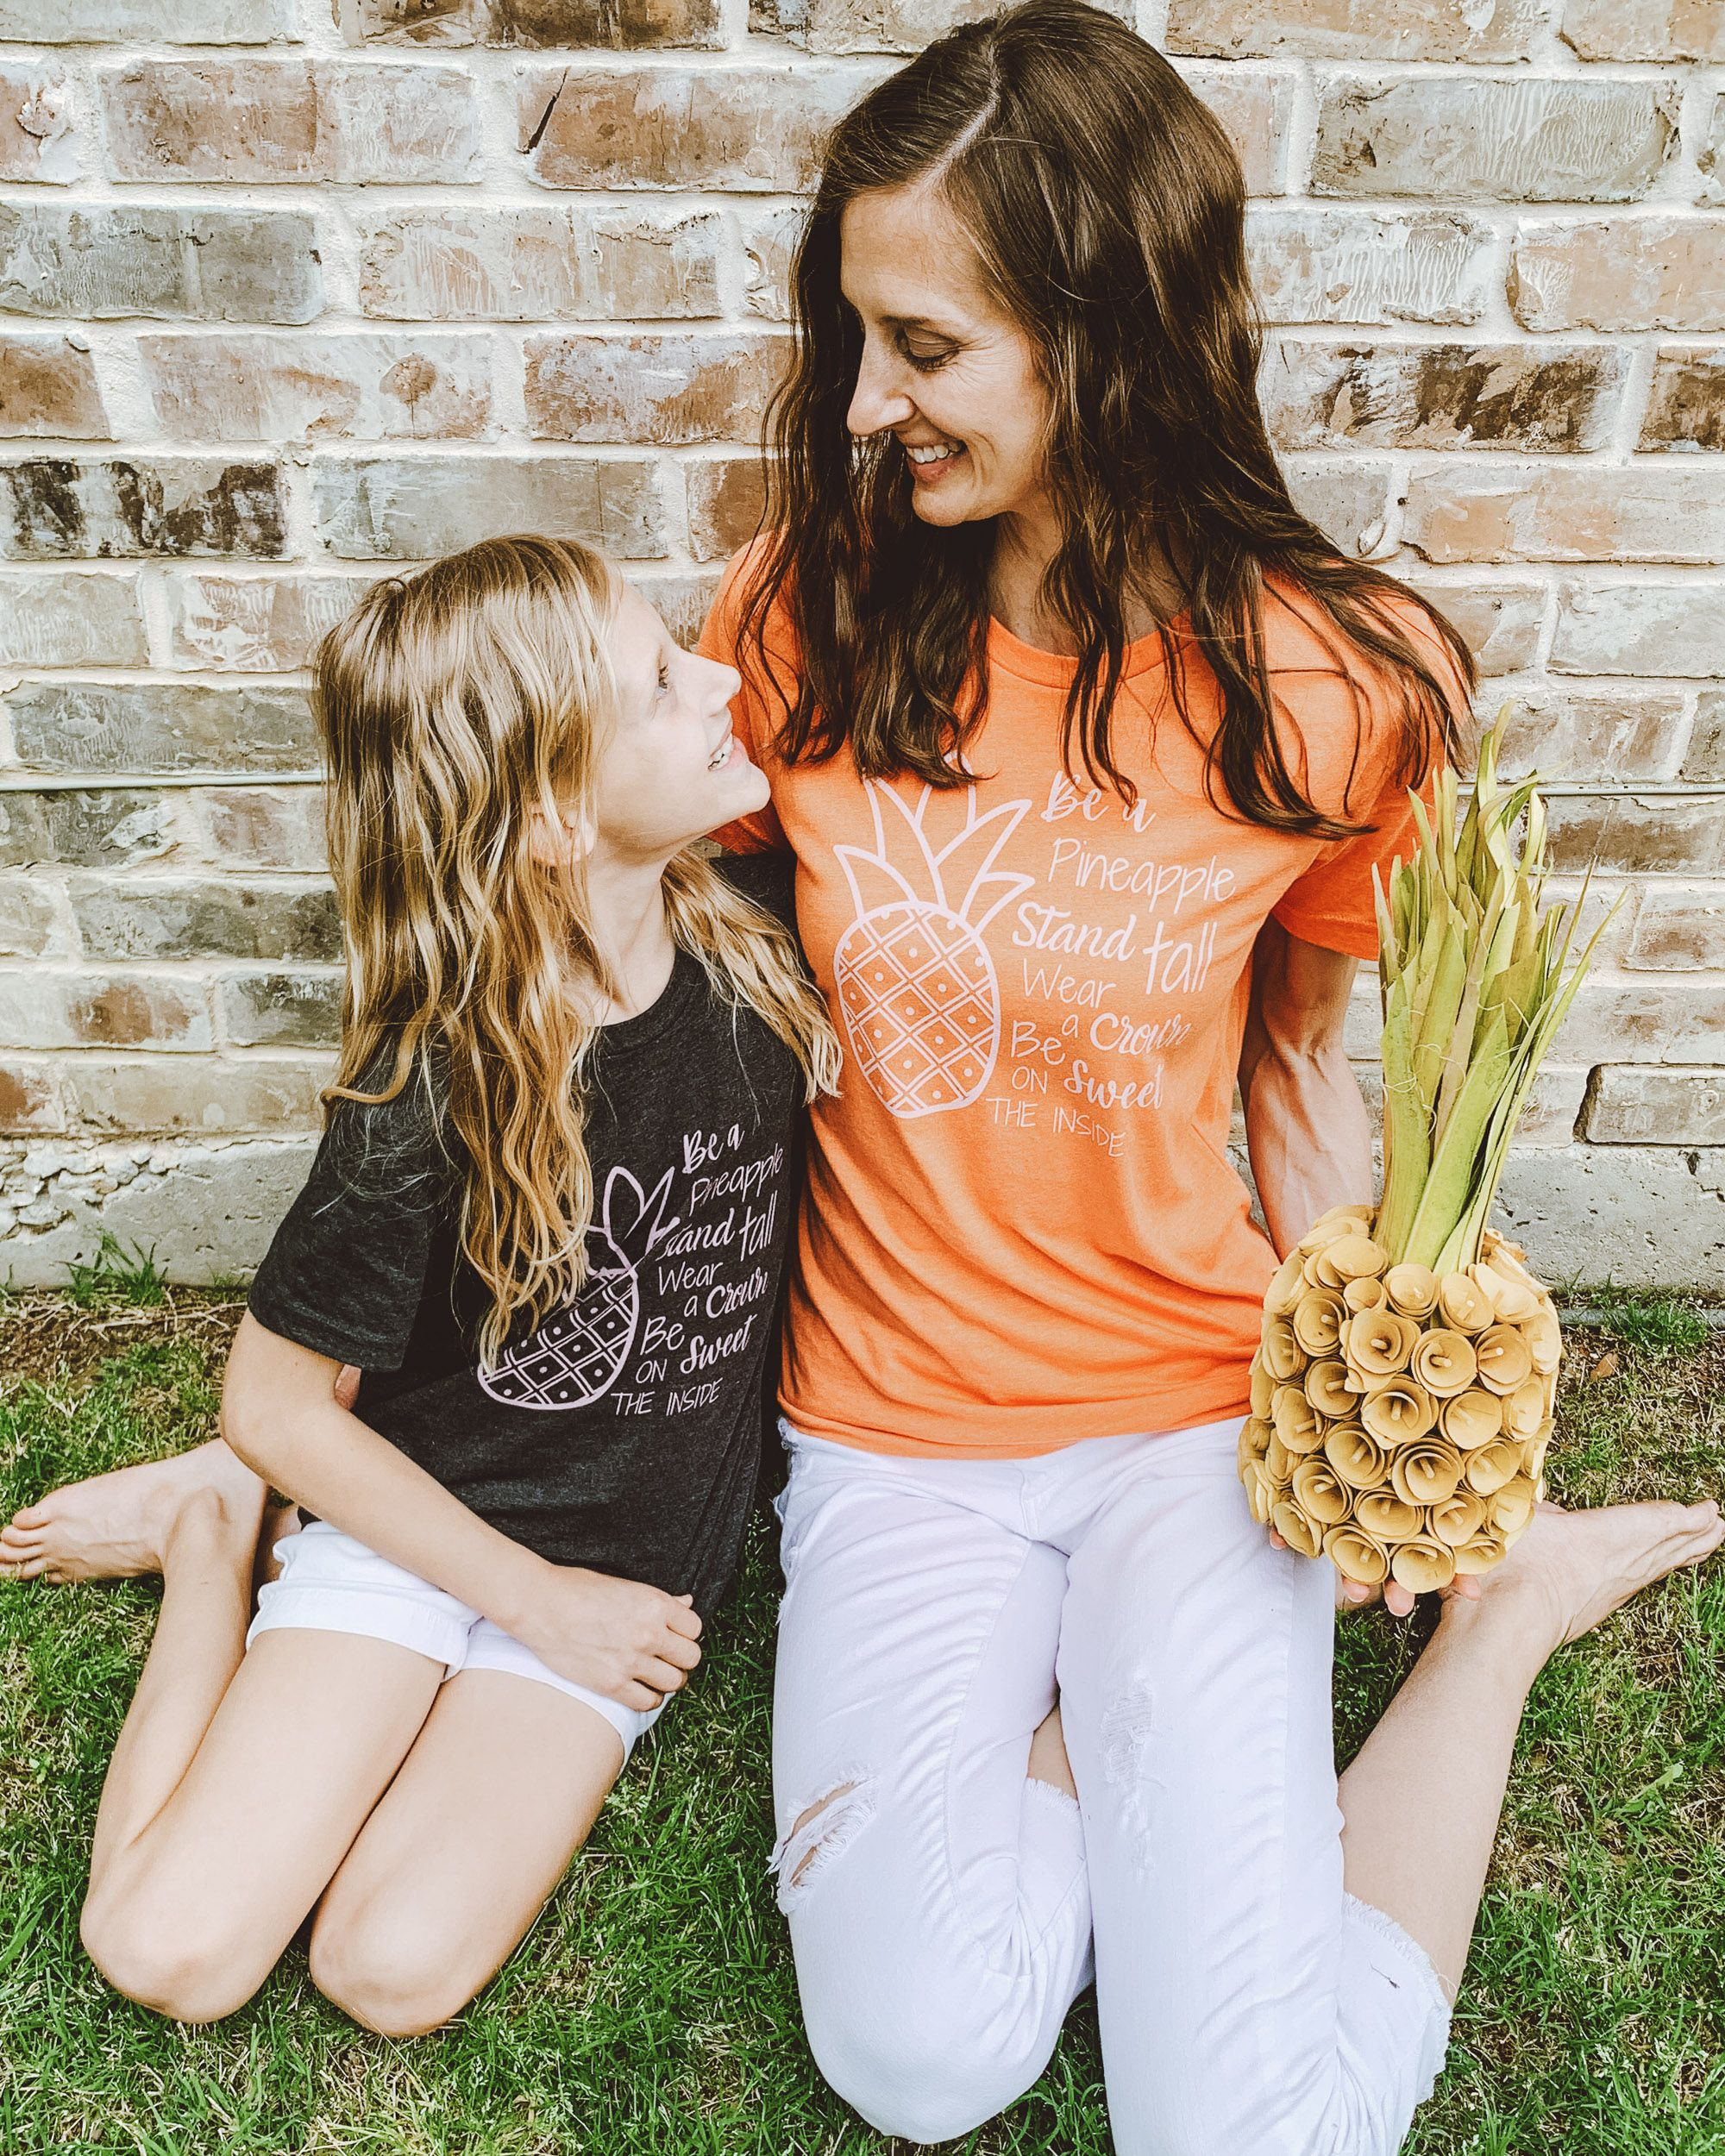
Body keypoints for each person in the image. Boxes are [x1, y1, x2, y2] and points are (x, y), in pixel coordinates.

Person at [694, 6, 1725, 2150]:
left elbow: (1295, 1068)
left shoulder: (1342, 684)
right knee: (919, 2051)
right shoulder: (807, 617)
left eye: (924, 344)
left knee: (1247, 2132)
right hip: (889, 1426)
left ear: (1111, 335)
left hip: (1193, 1416)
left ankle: (1491, 1640)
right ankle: (1117, 1745)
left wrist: (1381, 1395)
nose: (865, 399)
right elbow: (677, 981)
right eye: (854, 332)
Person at [0, 536, 838, 2035]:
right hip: (423, 1531)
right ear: (547, 815)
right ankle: (212, 1530)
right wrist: (528, 1598)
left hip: (625, 1576)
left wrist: (578, 1616)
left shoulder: (768, 946)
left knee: (389, 1971)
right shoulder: (432, 1087)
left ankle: (261, 1556)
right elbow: (271, 1395)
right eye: (661, 680)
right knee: (169, 1954)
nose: (717, 677)